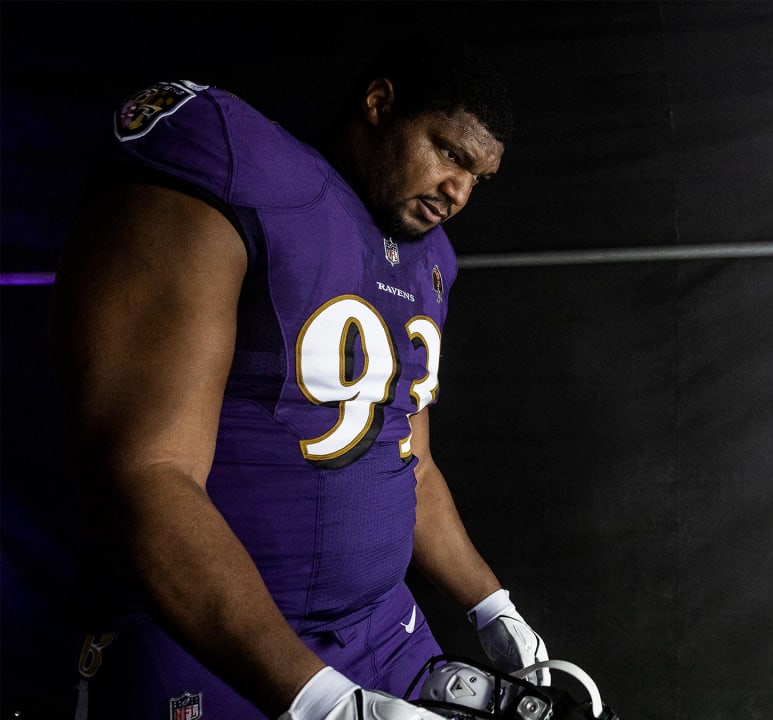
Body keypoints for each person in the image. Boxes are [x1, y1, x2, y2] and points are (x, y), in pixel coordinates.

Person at [50, 40, 546, 720]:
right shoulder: (234, 158)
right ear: (379, 105)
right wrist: (319, 702)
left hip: (382, 633)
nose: (458, 192)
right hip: (215, 643)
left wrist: (494, 608)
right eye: (449, 152)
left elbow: (414, 465)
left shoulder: (431, 260)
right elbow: (142, 470)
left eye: (477, 178)